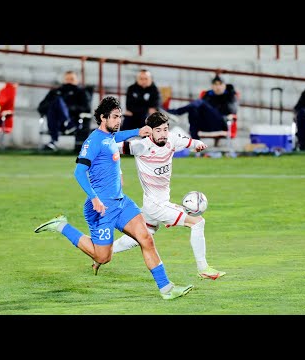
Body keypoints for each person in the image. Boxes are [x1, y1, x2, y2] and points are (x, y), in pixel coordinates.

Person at [34, 96, 193, 300]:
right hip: (101, 208)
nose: (119, 121)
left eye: (120, 117)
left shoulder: (108, 136)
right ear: (103, 117)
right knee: (103, 257)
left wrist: (137, 131)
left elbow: (115, 139)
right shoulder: (93, 141)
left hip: (121, 202)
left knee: (146, 238)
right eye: (115, 117)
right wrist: (94, 198)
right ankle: (62, 226)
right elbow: (79, 172)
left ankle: (167, 289)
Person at [92, 111, 226, 281]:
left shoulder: (171, 139)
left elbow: (189, 142)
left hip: (152, 204)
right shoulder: (141, 146)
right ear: (149, 131)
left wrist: (198, 144)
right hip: (157, 205)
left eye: (165, 129)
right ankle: (203, 268)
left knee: (142, 235)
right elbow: (111, 146)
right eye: (158, 130)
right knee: (198, 222)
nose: (163, 134)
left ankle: (99, 254)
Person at [167, 75, 238, 139]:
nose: (218, 87)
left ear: (224, 85)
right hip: (207, 123)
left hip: (221, 123)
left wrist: (220, 99)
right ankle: (196, 143)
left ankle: (176, 112)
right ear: (212, 86)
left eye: (220, 84)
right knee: (193, 109)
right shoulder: (208, 95)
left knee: (201, 102)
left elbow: (232, 110)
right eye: (215, 84)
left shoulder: (230, 95)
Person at [37, 71, 92, 151]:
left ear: (77, 81)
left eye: (72, 79)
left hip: (74, 122)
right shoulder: (55, 92)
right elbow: (41, 107)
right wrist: (54, 107)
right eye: (67, 79)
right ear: (63, 80)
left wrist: (68, 108)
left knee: (57, 101)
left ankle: (53, 140)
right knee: (54, 104)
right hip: (56, 123)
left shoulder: (81, 93)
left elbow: (86, 108)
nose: (69, 81)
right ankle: (66, 125)